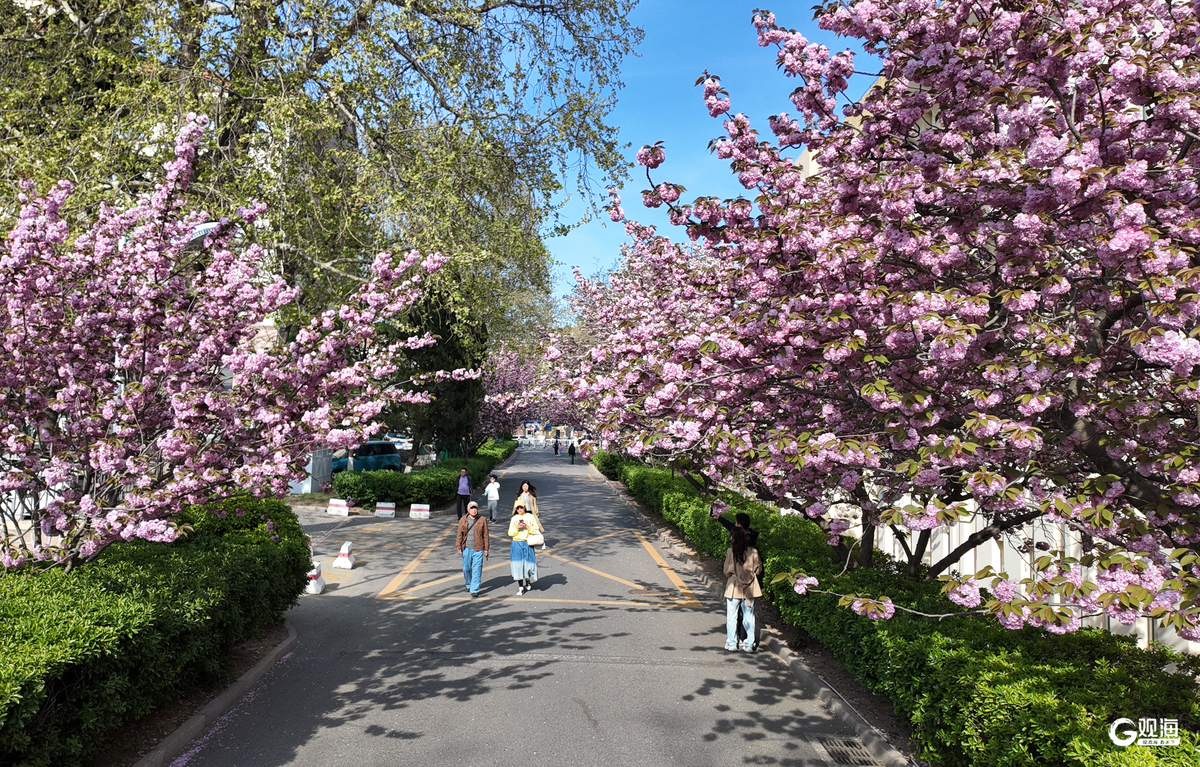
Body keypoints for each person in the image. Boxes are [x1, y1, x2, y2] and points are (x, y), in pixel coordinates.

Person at [717, 510, 760, 647]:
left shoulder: (731, 552)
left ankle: (731, 642)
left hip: (734, 587)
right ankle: (749, 643)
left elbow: (726, 571)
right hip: (749, 587)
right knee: (749, 615)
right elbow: (758, 570)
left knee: (732, 616)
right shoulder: (753, 551)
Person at [456, 501, 489, 597]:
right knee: (466, 568)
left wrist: (486, 549)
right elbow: (459, 534)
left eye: (475, 508)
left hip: (478, 548)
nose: (474, 510)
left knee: (477, 569)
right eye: (472, 508)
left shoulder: (482, 519)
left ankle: (474, 589)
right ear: (468, 510)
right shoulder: (463, 519)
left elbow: (485, 535)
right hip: (466, 548)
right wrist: (458, 546)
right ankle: (469, 584)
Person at [508, 502, 541, 594]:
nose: (519, 509)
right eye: (517, 508)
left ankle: (527, 580)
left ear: (524, 507)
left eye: (521, 507)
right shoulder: (514, 518)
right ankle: (520, 586)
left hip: (527, 543)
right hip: (516, 543)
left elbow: (535, 530)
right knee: (518, 565)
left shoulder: (530, 517)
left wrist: (527, 527)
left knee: (528, 565)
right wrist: (517, 527)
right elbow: (510, 533)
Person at [513, 481, 546, 550]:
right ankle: (526, 540)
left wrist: (536, 514)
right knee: (524, 527)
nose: (525, 488)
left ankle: (542, 541)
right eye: (523, 486)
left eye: (526, 486)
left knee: (535, 528)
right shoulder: (519, 496)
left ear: (528, 487)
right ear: (522, 487)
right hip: (522, 513)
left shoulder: (531, 496)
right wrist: (514, 513)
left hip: (530, 513)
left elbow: (535, 505)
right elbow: (516, 505)